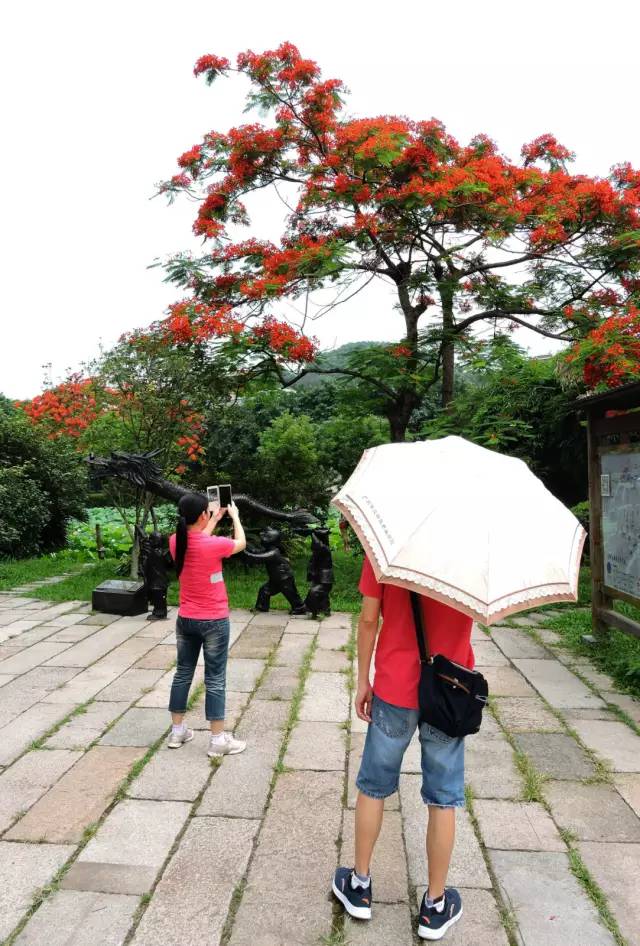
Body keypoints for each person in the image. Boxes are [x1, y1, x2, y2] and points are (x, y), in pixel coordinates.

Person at [332, 555, 474, 940]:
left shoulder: (385, 550)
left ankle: (359, 886)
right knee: (444, 797)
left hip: (395, 687)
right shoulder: (474, 553)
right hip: (448, 691)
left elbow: (367, 620)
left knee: (374, 784)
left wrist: (363, 679)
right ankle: (436, 905)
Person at [167, 492, 247, 757]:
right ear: (202, 515)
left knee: (182, 673)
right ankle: (218, 740)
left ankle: (177, 732)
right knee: (215, 679)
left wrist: (214, 519)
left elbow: (197, 540)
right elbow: (241, 543)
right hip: (214, 621)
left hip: (186, 619)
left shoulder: (175, 541)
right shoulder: (214, 545)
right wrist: (234, 517)